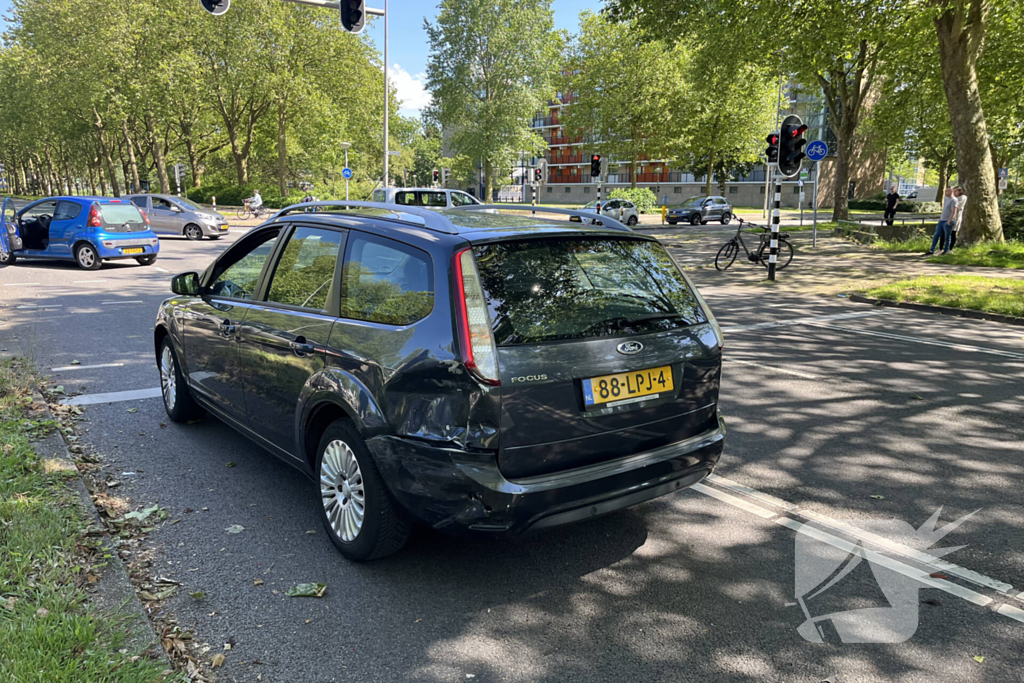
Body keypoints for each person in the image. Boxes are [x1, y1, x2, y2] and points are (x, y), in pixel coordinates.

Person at [925, 187, 957, 256]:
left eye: (948, 191)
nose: (946, 192)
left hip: (947, 221)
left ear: (951, 191)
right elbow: (944, 210)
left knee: (947, 236)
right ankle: (932, 250)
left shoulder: (954, 200)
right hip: (942, 220)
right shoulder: (946, 199)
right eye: (945, 191)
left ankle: (945, 251)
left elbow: (953, 211)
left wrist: (949, 220)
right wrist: (940, 218)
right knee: (936, 235)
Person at [945, 186, 967, 254]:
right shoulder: (952, 198)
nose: (954, 192)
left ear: (960, 191)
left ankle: (950, 249)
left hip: (956, 218)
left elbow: (957, 206)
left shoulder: (962, 197)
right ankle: (945, 248)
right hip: (948, 217)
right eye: (953, 191)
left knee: (953, 233)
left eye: (956, 191)